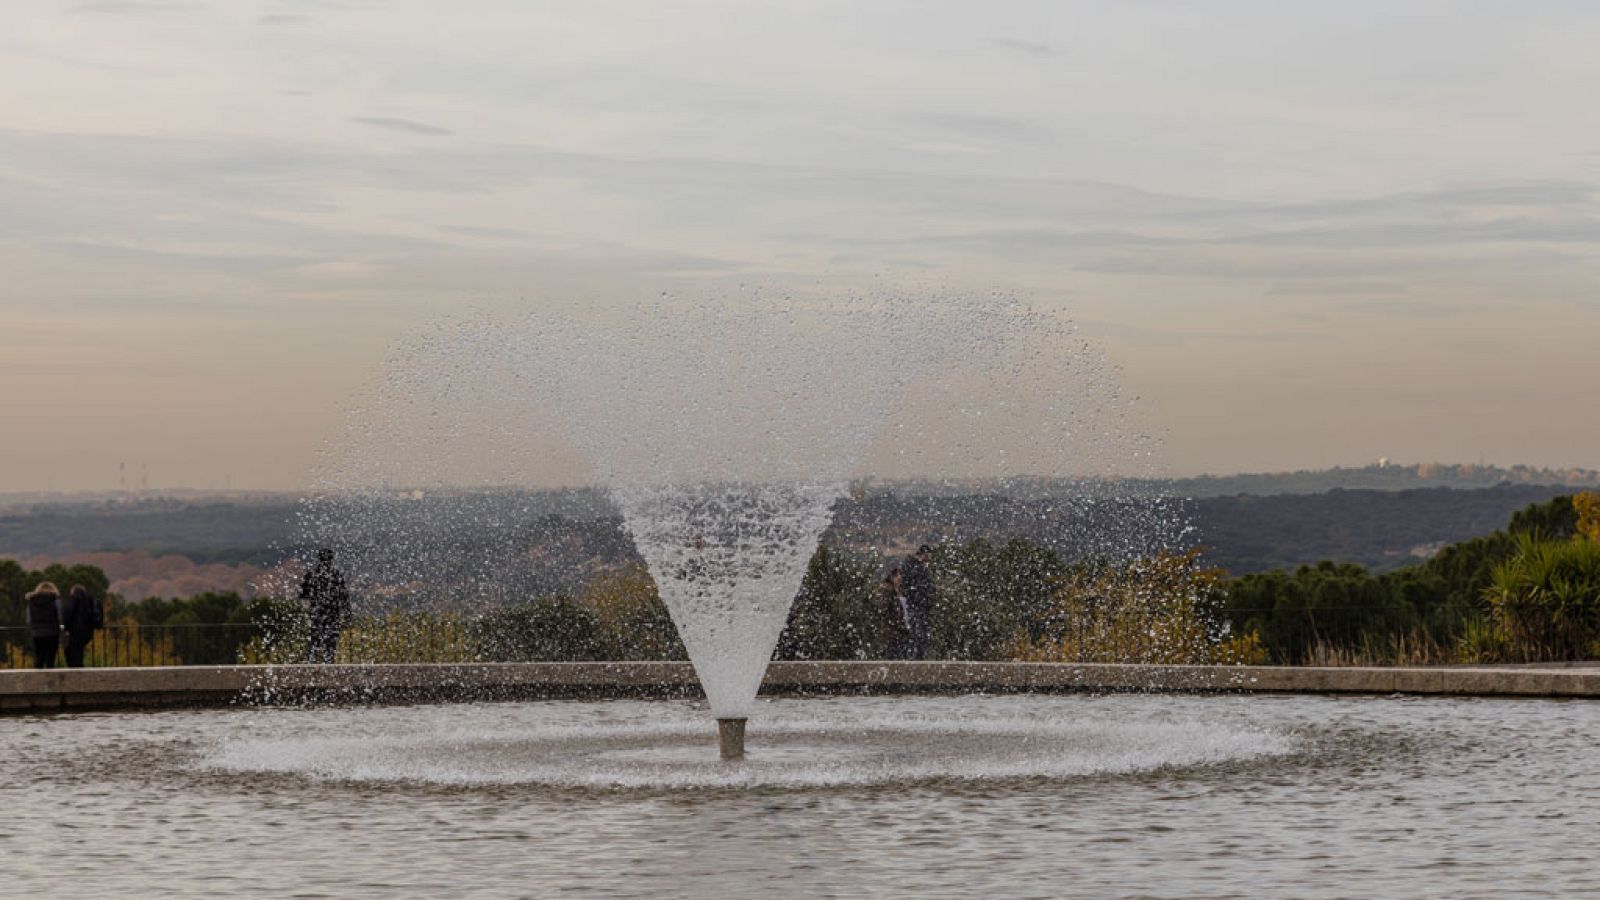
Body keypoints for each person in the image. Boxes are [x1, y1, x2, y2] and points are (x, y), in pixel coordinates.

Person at [300, 549, 351, 664]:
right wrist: (347, 613)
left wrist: (308, 610)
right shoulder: (336, 574)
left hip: (316, 612)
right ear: (331, 560)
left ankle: (311, 662)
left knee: (314, 638)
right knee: (331, 640)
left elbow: (304, 595)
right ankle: (328, 662)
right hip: (333, 612)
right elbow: (344, 596)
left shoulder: (311, 574)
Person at [901, 544, 936, 660]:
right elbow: (911, 587)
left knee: (920, 633)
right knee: (918, 633)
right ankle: (915, 657)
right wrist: (923, 596)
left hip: (919, 605)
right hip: (918, 606)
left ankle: (916, 656)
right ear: (924, 554)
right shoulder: (915, 567)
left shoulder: (914, 566)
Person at [60, 584, 100, 668]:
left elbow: (67, 614)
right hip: (87, 632)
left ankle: (75, 670)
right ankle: (78, 668)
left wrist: (64, 627)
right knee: (79, 651)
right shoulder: (90, 601)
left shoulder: (74, 600)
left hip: (75, 631)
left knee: (71, 651)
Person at [25, 582, 62, 669]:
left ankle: (37, 680)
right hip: (52, 632)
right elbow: (60, 616)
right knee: (50, 660)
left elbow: (28, 619)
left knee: (38, 659)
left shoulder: (32, 601)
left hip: (37, 632)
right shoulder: (55, 601)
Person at [879, 567, 912, 660]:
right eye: (897, 575)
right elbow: (884, 610)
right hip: (893, 633)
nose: (900, 577)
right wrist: (895, 624)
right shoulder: (887, 592)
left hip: (902, 631)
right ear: (891, 577)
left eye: (900, 575)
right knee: (892, 659)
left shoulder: (899, 591)